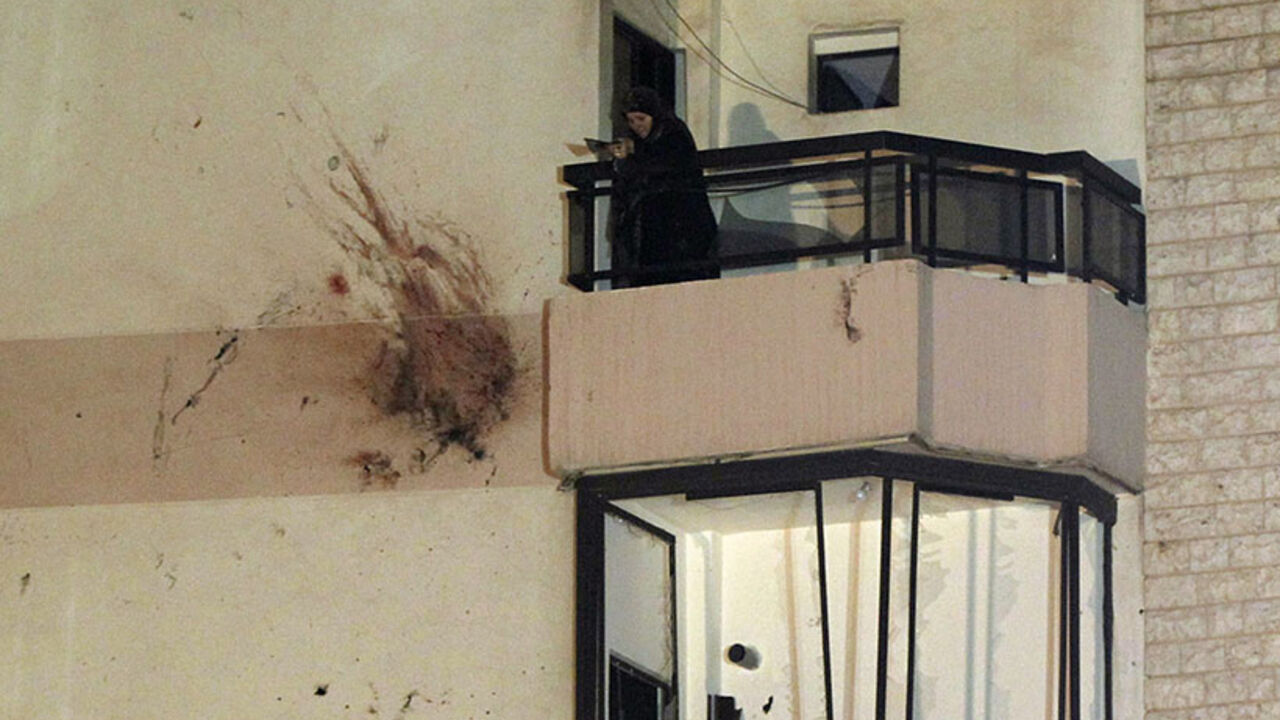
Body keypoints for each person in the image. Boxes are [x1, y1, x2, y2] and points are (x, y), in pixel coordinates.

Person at [609, 87, 719, 286]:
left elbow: (670, 161)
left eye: (641, 119)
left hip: (682, 228)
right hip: (653, 232)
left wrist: (635, 151)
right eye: (631, 121)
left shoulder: (674, 133)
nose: (636, 126)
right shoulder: (638, 140)